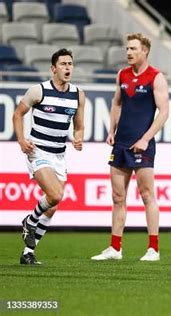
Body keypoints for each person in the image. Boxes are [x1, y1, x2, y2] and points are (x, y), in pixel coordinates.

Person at [91, 33, 169, 261]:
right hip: (121, 144)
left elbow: (164, 112)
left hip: (142, 145)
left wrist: (146, 138)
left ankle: (153, 248)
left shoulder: (156, 77)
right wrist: (111, 131)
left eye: (133, 49)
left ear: (145, 51)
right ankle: (115, 248)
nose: (128, 53)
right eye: (127, 49)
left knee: (147, 195)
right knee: (117, 197)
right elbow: (116, 103)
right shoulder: (122, 75)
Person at [13, 48, 85, 265]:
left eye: (70, 64)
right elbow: (18, 114)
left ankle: (28, 253)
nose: (67, 68)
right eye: (63, 64)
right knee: (55, 194)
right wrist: (21, 140)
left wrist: (77, 138)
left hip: (59, 155)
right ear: (53, 68)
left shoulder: (78, 94)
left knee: (52, 206)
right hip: (39, 151)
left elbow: (79, 126)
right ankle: (30, 220)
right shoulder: (38, 91)